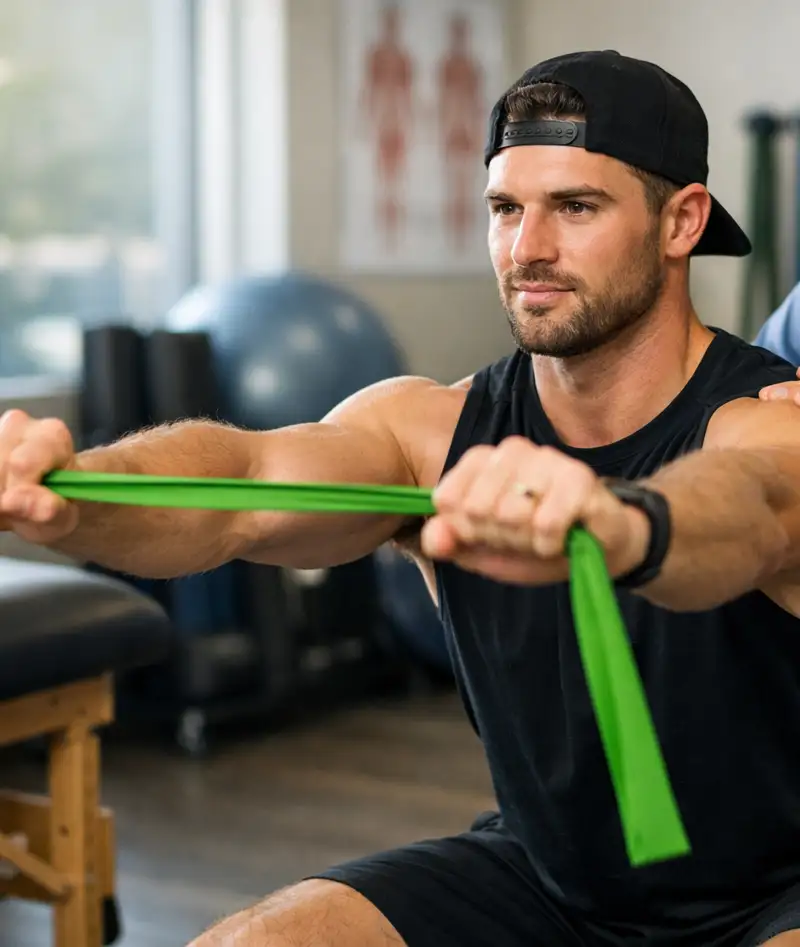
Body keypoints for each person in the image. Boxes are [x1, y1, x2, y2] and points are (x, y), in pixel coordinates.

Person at [7, 49, 800, 947]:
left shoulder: (764, 418)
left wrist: (622, 523)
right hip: (547, 880)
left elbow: (755, 505)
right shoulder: (431, 429)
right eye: (506, 208)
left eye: (576, 207)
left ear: (680, 221)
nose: (527, 248)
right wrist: (79, 497)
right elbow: (242, 488)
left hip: (773, 894)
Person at [358, 3, 415, 249]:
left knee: (397, 181)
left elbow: (408, 94)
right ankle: (384, 231)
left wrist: (413, 123)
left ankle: (395, 231)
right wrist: (363, 121)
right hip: (381, 122)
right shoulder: (376, 55)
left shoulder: (403, 57)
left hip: (398, 122)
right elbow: (368, 91)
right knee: (383, 180)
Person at [435, 13, 485, 248]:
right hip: (451, 127)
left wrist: (476, 132)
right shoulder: (447, 64)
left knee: (464, 185)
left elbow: (477, 101)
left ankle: (462, 239)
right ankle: (454, 239)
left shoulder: (471, 66)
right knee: (450, 183)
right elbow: (442, 100)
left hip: (466, 125)